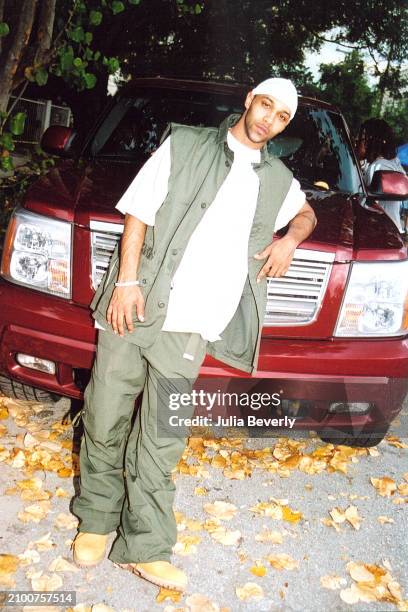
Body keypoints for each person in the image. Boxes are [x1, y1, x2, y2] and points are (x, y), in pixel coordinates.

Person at [71, 78, 317, 591]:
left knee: (162, 436)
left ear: (284, 125)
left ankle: (144, 545)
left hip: (195, 323)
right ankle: (95, 519)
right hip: (138, 302)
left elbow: (307, 212)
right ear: (250, 100)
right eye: (266, 104)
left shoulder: (276, 178)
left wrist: (290, 239)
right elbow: (137, 213)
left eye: (282, 116)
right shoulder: (184, 144)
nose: (270, 118)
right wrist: (127, 283)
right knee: (105, 412)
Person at [356, 118, 406, 234]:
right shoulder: (390, 163)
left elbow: (365, 204)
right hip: (386, 229)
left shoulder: (380, 167)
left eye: (362, 138)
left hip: (382, 231)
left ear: (373, 141)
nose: (357, 140)